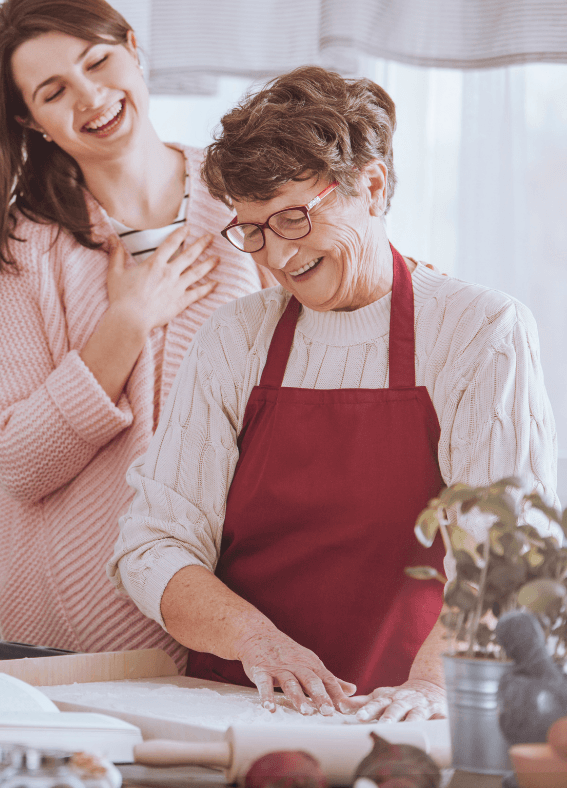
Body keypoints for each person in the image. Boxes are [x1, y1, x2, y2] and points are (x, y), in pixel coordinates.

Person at [109, 65, 560, 720]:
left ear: (371, 186)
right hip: (238, 710)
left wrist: (432, 689)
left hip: (402, 716)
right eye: (253, 229)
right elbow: (153, 545)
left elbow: (506, 556)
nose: (275, 257)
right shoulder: (232, 340)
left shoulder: (479, 331)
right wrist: (256, 641)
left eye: (293, 218)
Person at [0, 0, 268, 664]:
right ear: (30, 121)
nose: (90, 96)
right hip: (79, 636)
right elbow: (16, 460)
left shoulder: (249, 196)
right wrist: (126, 322)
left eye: (98, 61)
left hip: (248, 608)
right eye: (53, 92)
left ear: (132, 46)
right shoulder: (26, 249)